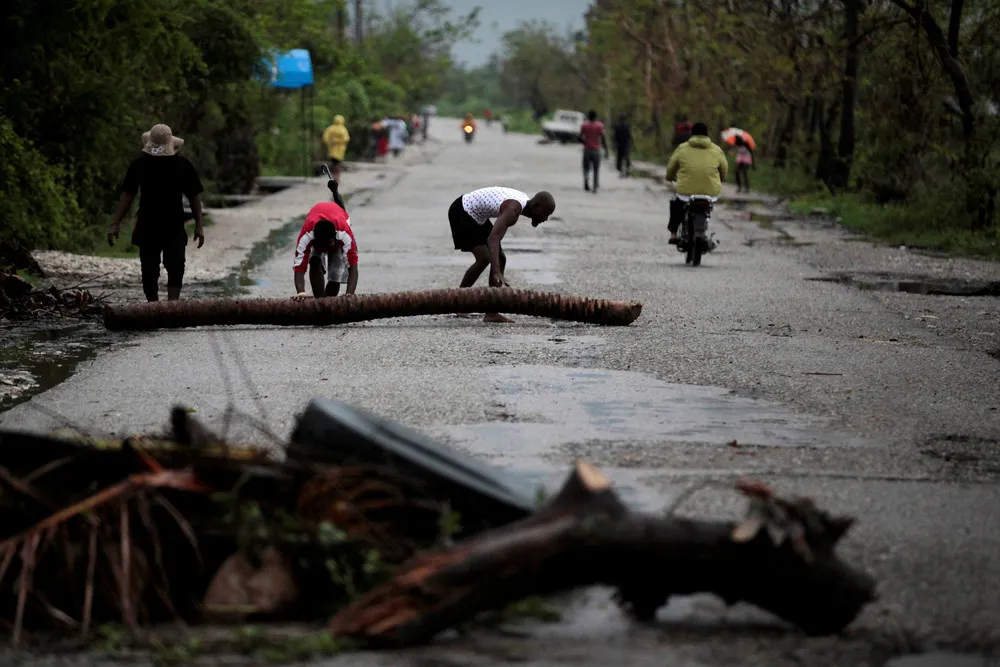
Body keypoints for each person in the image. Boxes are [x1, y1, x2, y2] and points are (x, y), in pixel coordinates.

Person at [108, 124, 205, 302]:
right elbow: (128, 194)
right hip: (148, 223)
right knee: (149, 267)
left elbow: (194, 196)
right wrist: (115, 223)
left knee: (176, 265)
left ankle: (172, 305)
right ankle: (152, 305)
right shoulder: (140, 164)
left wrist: (199, 225)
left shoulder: (182, 165)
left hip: (173, 224)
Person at [448, 187, 556, 323]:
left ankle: (491, 312)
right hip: (462, 210)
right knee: (484, 258)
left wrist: (497, 266)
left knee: (499, 258)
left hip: (475, 215)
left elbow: (495, 238)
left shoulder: (520, 203)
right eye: (545, 213)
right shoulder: (513, 209)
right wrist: (496, 271)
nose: (545, 218)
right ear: (536, 206)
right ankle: (458, 303)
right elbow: (493, 239)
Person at [665, 122, 728, 244]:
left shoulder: (682, 148)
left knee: (676, 205)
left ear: (691, 134)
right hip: (709, 192)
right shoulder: (716, 150)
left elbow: (671, 166)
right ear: (707, 134)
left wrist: (670, 177)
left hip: (685, 192)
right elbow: (724, 169)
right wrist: (722, 178)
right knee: (707, 209)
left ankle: (673, 234)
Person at [292, 201, 358, 299]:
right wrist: (301, 294)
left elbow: (353, 267)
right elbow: (299, 268)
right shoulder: (307, 236)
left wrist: (349, 294)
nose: (325, 250)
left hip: (337, 236)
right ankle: (319, 301)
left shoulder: (344, 234)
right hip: (318, 235)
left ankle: (327, 305)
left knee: (335, 275)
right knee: (314, 260)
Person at [579, 110, 609, 193]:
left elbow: (579, 137)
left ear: (588, 116)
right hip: (596, 150)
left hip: (587, 150)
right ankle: (595, 187)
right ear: (595, 117)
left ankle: (586, 182)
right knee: (596, 169)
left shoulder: (584, 125)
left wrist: (585, 142)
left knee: (586, 167)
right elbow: (603, 138)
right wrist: (606, 150)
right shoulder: (600, 126)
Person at [321, 115, 351, 179]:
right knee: (338, 163)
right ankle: (337, 176)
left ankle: (334, 176)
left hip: (332, 149)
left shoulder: (330, 128)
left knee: (334, 163)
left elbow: (325, 138)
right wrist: (338, 141)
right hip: (340, 150)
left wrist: (331, 141)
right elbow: (346, 139)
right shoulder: (343, 129)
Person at [613, 113, 633, 177]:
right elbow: (629, 135)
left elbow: (615, 137)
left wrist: (614, 145)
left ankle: (621, 172)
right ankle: (627, 171)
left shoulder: (617, 126)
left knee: (620, 159)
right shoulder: (628, 126)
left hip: (619, 145)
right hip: (626, 145)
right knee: (626, 158)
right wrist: (631, 143)